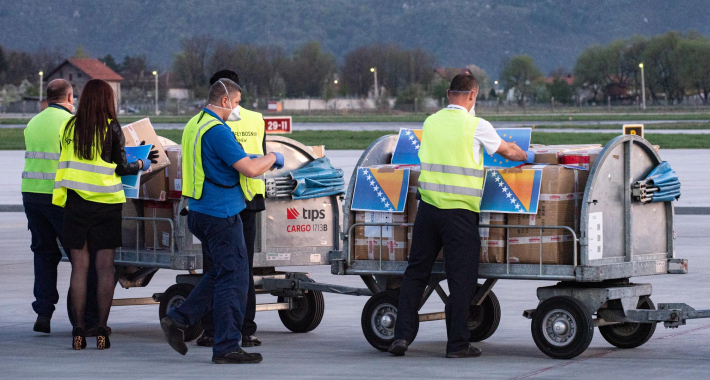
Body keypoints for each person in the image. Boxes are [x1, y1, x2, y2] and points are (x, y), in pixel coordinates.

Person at [388, 74, 533, 358]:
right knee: (461, 278)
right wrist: (530, 155)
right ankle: (457, 344)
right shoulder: (477, 126)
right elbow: (509, 151)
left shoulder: (430, 123)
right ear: (473, 96)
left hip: (428, 210)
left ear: (448, 93)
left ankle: (401, 337)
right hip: (460, 213)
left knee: (416, 273)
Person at [160, 78, 285, 364]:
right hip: (222, 214)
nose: (237, 109)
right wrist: (272, 156)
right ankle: (227, 346)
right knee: (234, 279)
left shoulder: (195, 124)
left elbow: (216, 160)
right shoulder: (218, 130)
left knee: (219, 274)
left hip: (198, 210)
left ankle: (178, 319)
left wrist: (250, 157)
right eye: (237, 103)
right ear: (226, 101)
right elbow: (252, 170)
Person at [53, 79, 158, 350]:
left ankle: (78, 331)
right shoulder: (111, 127)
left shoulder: (69, 126)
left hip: (75, 204)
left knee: (79, 269)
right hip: (106, 206)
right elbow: (122, 167)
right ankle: (101, 330)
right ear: (107, 100)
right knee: (104, 269)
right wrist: (142, 164)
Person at [196, 70, 266, 349]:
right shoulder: (256, 119)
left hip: (219, 200)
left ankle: (214, 329)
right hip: (249, 197)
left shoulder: (203, 123)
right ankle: (245, 328)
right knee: (242, 268)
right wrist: (272, 159)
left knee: (216, 268)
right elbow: (259, 154)